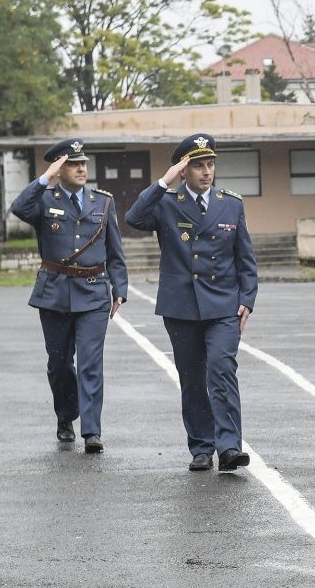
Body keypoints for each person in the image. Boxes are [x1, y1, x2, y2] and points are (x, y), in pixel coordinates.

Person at [126, 133, 258, 471]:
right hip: (181, 306)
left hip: (224, 305)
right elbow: (134, 218)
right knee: (192, 377)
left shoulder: (231, 203)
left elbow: (245, 258)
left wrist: (247, 299)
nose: (206, 171)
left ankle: (229, 445)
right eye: (197, 165)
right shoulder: (166, 202)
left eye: (210, 164)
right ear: (183, 170)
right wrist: (163, 181)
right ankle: (201, 446)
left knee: (221, 368)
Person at [10, 138, 128, 453]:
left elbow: (114, 251)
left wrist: (120, 288)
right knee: (59, 363)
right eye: (72, 164)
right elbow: (17, 208)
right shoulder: (43, 199)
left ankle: (91, 431)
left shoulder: (102, 201)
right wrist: (46, 177)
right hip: (54, 293)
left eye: (83, 163)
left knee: (90, 362)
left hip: (93, 294)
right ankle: (65, 416)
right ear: (60, 168)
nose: (80, 169)